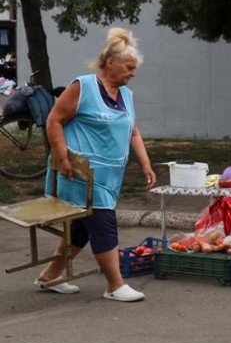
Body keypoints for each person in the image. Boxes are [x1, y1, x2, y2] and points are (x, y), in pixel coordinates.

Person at [35, 28, 156, 302]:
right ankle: (115, 285)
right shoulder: (83, 87)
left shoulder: (126, 95)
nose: (133, 73)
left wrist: (146, 164)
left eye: (134, 68)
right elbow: (54, 121)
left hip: (110, 177)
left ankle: (50, 275)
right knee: (103, 223)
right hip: (78, 173)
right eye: (129, 67)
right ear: (110, 63)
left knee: (80, 227)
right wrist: (62, 157)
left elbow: (133, 132)